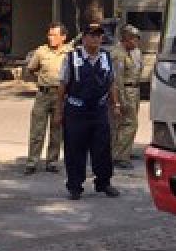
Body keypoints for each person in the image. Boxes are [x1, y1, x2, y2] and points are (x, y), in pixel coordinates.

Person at [54, 22, 123, 200]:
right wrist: (59, 111)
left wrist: (115, 105)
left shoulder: (106, 58)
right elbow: (62, 85)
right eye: (91, 35)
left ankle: (104, 183)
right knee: (75, 149)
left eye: (98, 35)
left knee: (102, 148)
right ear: (83, 38)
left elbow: (111, 83)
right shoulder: (72, 58)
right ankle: (75, 186)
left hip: (99, 110)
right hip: (76, 110)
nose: (95, 39)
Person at [23, 22, 71, 174]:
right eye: (49, 35)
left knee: (57, 130)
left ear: (63, 37)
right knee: (37, 130)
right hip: (43, 94)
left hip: (61, 95)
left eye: (54, 35)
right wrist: (39, 80)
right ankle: (32, 162)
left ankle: (52, 161)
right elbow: (30, 69)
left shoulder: (70, 53)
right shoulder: (41, 51)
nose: (51, 38)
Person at [110, 24, 143, 170]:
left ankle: (125, 151)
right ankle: (119, 156)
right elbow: (116, 80)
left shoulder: (134, 52)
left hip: (134, 91)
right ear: (127, 39)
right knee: (129, 124)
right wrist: (118, 101)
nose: (137, 42)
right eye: (135, 39)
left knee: (127, 123)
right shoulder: (118, 54)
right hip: (125, 91)